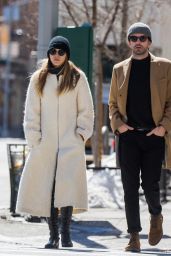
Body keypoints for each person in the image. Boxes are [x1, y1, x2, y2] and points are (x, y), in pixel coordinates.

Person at [16, 35, 94, 249]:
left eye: (61, 51)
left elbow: (86, 111)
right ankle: (53, 236)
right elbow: (31, 112)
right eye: (53, 51)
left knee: (66, 188)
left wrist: (80, 135)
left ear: (67, 54)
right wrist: (34, 138)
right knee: (48, 189)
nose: (56, 55)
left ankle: (66, 233)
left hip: (71, 143)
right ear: (48, 54)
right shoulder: (38, 79)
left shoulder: (78, 78)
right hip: (45, 144)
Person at [108, 22, 171, 252]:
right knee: (129, 187)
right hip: (128, 136)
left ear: (149, 42)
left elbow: (170, 102)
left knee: (151, 185)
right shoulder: (119, 69)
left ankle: (156, 215)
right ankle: (133, 235)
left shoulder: (165, 67)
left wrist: (164, 126)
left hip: (154, 135)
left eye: (142, 38)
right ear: (128, 42)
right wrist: (118, 125)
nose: (138, 42)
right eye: (133, 38)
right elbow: (113, 104)